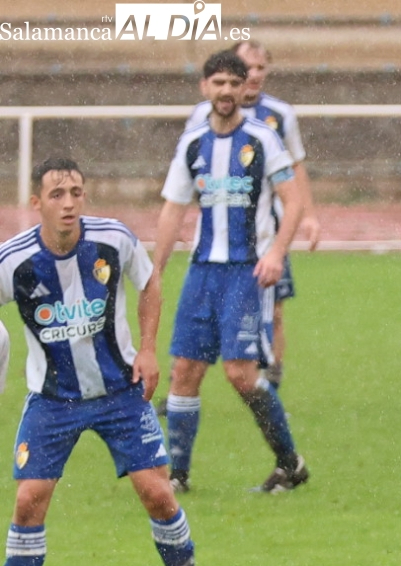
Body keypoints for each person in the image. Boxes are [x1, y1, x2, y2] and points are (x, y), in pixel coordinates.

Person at [0, 158, 215, 566]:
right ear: (36, 203)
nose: (69, 203)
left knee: (158, 494)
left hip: (120, 392)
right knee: (29, 500)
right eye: (57, 194)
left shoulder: (112, 240)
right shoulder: (14, 261)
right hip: (52, 399)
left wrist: (148, 348)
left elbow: (150, 281)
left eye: (76, 192)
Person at [154, 48, 309, 494]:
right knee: (185, 370)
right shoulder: (193, 143)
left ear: (244, 89)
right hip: (202, 270)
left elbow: (293, 201)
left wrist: (276, 252)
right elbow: (173, 209)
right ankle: (178, 477)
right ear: (205, 87)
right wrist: (155, 270)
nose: (226, 91)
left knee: (240, 374)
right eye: (218, 83)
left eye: (234, 84)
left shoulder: (262, 138)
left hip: (246, 271)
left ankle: (290, 463)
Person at [185, 39, 321, 391]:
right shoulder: (202, 115)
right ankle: (182, 385)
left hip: (268, 229)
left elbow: (296, 165)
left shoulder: (279, 114)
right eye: (248, 67)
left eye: (261, 67)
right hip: (219, 237)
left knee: (274, 308)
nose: (255, 74)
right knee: (202, 312)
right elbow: (191, 166)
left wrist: (308, 215)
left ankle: (270, 382)